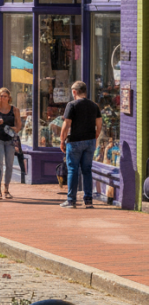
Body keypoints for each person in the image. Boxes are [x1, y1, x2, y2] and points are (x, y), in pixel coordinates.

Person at [59, 80, 102, 209]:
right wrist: (93, 138)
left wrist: (62, 140)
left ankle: (71, 200)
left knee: (73, 170)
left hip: (75, 141)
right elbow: (99, 126)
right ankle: (88, 200)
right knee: (87, 170)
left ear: (74, 92)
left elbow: (66, 125)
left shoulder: (71, 105)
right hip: (90, 141)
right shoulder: (94, 106)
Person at [0, 88, 20, 200]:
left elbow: (19, 126)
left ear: (9, 98)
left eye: (5, 96)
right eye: (1, 96)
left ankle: (6, 189)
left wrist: (12, 129)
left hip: (10, 140)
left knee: (9, 165)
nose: (3, 98)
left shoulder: (15, 110)